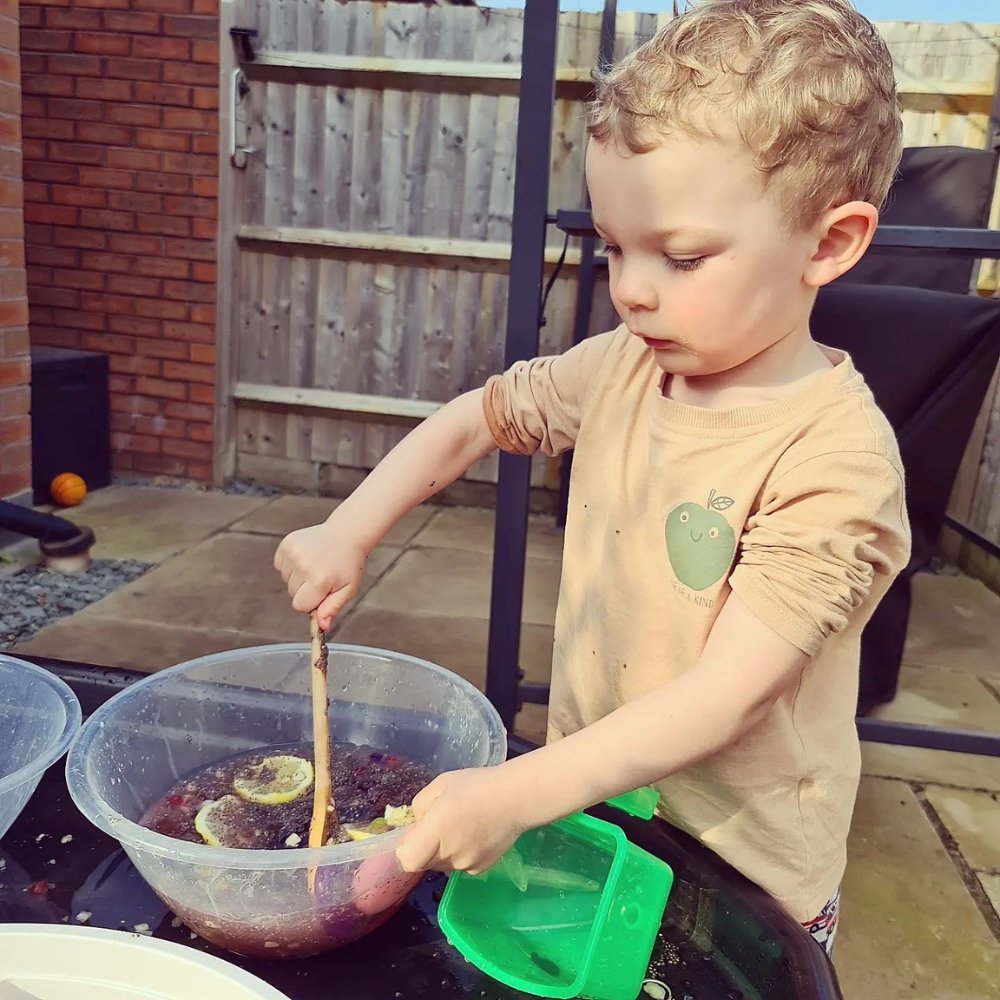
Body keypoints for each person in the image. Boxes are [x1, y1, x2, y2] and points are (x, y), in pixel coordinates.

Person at [274, 0, 911, 955]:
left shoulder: (836, 463)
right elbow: (477, 418)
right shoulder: (624, 362)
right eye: (615, 245)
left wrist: (517, 791)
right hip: (600, 807)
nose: (633, 288)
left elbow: (729, 694)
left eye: (682, 255)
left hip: (746, 871)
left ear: (828, 243)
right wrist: (350, 529)